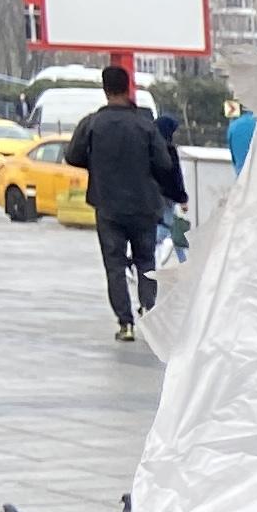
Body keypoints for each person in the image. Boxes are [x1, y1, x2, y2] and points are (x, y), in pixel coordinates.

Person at [63, 61, 186, 342]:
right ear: (128, 88)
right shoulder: (145, 124)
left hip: (108, 206)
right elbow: (164, 163)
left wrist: (97, 165)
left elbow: (72, 156)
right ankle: (148, 310)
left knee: (115, 265)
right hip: (144, 205)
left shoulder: (92, 123)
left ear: (105, 89)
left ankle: (125, 323)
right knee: (146, 260)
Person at [150, 95, 192, 257]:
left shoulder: (148, 145)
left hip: (150, 194)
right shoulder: (168, 149)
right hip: (167, 196)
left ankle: (183, 258)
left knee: (171, 226)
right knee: (165, 227)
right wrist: (182, 198)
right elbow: (175, 176)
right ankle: (146, 253)